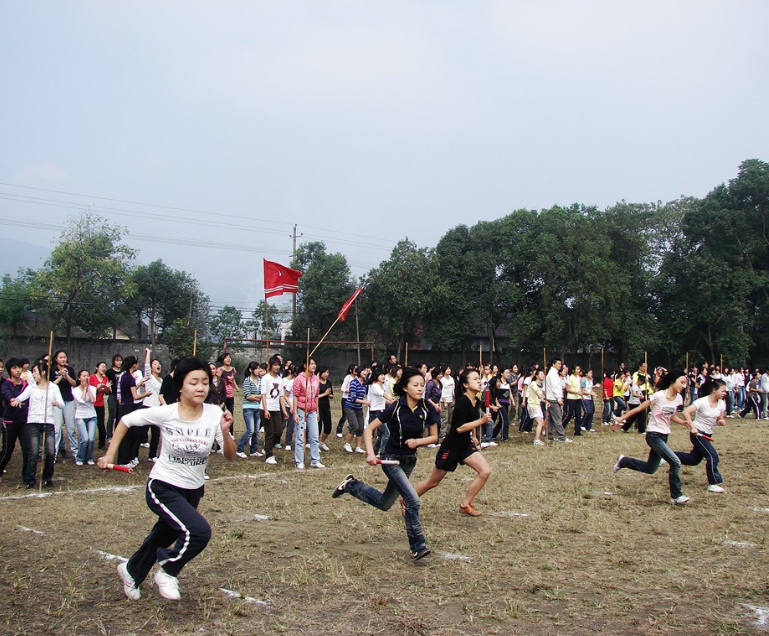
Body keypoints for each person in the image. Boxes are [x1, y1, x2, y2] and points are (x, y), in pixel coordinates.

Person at [98, 356, 236, 601]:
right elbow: (125, 420)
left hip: (192, 490)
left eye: (205, 381)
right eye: (194, 382)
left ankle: (131, 571)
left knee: (162, 536)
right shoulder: (167, 412)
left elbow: (230, 457)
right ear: (180, 385)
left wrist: (225, 434)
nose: (201, 387)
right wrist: (110, 454)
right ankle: (169, 570)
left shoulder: (215, 413)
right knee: (199, 532)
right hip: (162, 487)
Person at [331, 368, 439, 560]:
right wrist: (371, 454)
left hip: (409, 461)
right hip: (390, 459)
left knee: (385, 503)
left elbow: (434, 436)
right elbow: (369, 429)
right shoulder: (395, 407)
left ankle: (351, 485)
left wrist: (418, 442)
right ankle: (418, 546)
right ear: (405, 387)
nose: (420, 389)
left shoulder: (426, 408)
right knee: (412, 500)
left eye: (422, 385)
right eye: (415, 385)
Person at [414, 369, 492, 516]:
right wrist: (482, 421)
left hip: (465, 446)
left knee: (485, 471)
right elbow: (459, 428)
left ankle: (465, 504)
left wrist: (474, 436)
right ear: (465, 384)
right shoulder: (462, 401)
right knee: (433, 482)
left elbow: (470, 421)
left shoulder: (476, 400)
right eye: (475, 379)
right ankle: (407, 499)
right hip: (451, 447)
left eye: (479, 379)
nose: (479, 381)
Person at [613, 369, 697, 505]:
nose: (683, 385)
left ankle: (624, 461)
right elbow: (639, 409)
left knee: (650, 468)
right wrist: (621, 418)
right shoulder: (658, 396)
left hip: (664, 435)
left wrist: (682, 422)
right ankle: (676, 496)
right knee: (675, 461)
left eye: (685, 383)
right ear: (672, 381)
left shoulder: (678, 399)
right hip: (653, 435)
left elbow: (671, 415)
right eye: (681, 382)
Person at [12, 361, 63, 489]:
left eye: (35, 371)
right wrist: (16, 400)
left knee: (51, 452)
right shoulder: (31, 387)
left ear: (43, 372)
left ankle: (47, 478)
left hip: (48, 422)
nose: (33, 374)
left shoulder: (53, 387)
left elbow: (62, 404)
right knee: (34, 452)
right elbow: (21, 397)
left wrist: (56, 402)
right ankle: (30, 480)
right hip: (33, 423)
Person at [675, 378, 727, 493]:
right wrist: (692, 427)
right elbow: (685, 412)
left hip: (707, 434)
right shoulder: (702, 401)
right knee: (712, 456)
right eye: (722, 391)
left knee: (694, 459)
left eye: (725, 391)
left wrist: (721, 421)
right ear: (714, 390)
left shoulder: (722, 404)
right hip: (698, 433)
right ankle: (713, 483)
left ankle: (668, 455)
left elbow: (720, 418)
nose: (725, 393)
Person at [292, 358, 324, 470]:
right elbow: (295, 396)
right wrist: (295, 412)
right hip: (301, 409)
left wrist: (317, 411)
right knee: (300, 436)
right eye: (311, 364)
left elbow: (316, 396)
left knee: (314, 436)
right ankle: (299, 460)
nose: (313, 366)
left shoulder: (316, 379)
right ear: (305, 365)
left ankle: (315, 460)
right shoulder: (299, 379)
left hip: (312, 410)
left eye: (314, 363)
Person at [0, 358, 29, 482]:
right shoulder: (6, 384)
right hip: (10, 421)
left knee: (27, 450)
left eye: (19, 367)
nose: (17, 370)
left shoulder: (26, 384)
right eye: (14, 368)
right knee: (7, 450)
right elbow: (9, 397)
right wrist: (14, 400)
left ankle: (27, 476)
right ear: (9, 370)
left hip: (24, 421)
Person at [50, 350, 78, 459]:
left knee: (71, 428)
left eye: (64, 357)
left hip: (69, 400)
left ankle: (75, 453)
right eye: (60, 357)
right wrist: (60, 376)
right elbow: (51, 384)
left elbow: (74, 383)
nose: (63, 359)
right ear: (56, 359)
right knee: (56, 429)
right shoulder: (52, 370)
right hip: (57, 402)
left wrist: (66, 374)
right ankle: (54, 454)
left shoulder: (69, 369)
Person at [261, 356, 287, 465]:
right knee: (270, 432)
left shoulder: (280, 379)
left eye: (278, 365)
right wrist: (265, 410)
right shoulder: (265, 378)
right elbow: (263, 395)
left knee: (279, 431)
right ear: (270, 366)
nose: (277, 367)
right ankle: (269, 455)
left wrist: (284, 410)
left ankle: (267, 446)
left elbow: (281, 396)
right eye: (275, 365)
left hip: (276, 409)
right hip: (266, 408)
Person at [237, 362, 264, 458]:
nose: (258, 370)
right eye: (256, 369)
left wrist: (256, 397)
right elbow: (248, 396)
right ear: (250, 370)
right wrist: (258, 397)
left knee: (256, 431)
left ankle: (254, 450)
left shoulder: (261, 381)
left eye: (259, 368)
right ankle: (239, 449)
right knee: (250, 430)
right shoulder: (247, 381)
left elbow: (263, 394)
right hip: (248, 408)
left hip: (258, 408)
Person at [72, 370, 98, 466]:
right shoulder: (75, 390)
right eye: (84, 376)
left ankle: (89, 457)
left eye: (87, 376)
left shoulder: (93, 388)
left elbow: (92, 400)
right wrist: (84, 389)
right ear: (79, 378)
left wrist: (88, 388)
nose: (86, 378)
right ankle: (80, 457)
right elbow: (82, 400)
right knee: (85, 439)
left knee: (91, 439)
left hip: (92, 416)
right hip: (80, 416)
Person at [343, 365, 370, 454]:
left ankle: (358, 447)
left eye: (367, 371)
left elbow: (364, 396)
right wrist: (365, 402)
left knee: (361, 427)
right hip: (350, 407)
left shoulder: (365, 384)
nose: (366, 373)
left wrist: (366, 401)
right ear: (359, 372)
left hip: (358, 408)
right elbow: (353, 398)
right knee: (355, 426)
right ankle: (347, 444)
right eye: (364, 371)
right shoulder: (354, 382)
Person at [545, 359, 571, 442]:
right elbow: (555, 387)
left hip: (553, 398)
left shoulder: (554, 373)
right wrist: (559, 398)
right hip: (553, 399)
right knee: (558, 419)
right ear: (553, 364)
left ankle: (549, 435)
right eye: (558, 364)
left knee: (552, 419)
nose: (560, 365)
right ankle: (562, 437)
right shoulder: (552, 374)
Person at [89, 362, 110, 449]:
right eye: (102, 367)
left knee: (101, 424)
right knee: (91, 423)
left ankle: (101, 444)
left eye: (105, 367)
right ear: (97, 368)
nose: (104, 368)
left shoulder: (105, 379)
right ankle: (89, 441)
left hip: (100, 404)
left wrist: (107, 388)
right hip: (91, 404)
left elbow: (107, 393)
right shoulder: (92, 378)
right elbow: (89, 391)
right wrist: (98, 388)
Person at [105, 354, 123, 445]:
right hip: (112, 396)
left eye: (120, 360)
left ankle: (117, 434)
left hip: (121, 397)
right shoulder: (109, 372)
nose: (119, 362)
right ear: (113, 361)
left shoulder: (123, 372)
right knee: (111, 416)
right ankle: (109, 435)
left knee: (119, 416)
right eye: (117, 360)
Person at [335, 364, 355, 438]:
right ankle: (339, 430)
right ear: (350, 370)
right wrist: (349, 391)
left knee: (354, 415)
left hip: (353, 399)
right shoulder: (348, 377)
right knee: (345, 415)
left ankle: (353, 429)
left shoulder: (356, 378)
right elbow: (342, 388)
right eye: (355, 369)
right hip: (346, 399)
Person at [528, 369, 547, 446]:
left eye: (543, 374)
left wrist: (547, 399)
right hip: (532, 405)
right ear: (537, 376)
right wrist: (543, 400)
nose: (543, 375)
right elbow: (537, 393)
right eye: (541, 374)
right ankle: (536, 440)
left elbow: (543, 393)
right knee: (539, 422)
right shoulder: (533, 383)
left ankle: (537, 438)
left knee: (542, 423)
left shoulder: (542, 384)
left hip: (537, 405)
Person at [317, 367, 333, 451]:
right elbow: (315, 397)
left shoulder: (329, 383)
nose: (326, 374)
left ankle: (322, 442)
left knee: (328, 427)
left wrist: (329, 395)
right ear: (320, 373)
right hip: (318, 407)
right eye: (324, 372)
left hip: (326, 407)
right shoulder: (316, 382)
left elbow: (331, 395)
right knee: (318, 427)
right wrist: (325, 393)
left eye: (327, 372)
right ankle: (315, 444)